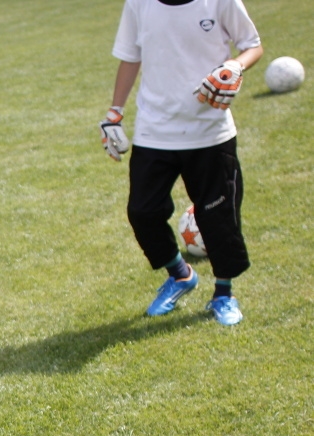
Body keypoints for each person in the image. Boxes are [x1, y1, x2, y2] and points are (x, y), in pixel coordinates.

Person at [100, 0, 263, 326]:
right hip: (154, 130)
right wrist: (114, 112)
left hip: (210, 131)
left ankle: (223, 294)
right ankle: (180, 275)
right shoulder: (139, 3)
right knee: (142, 211)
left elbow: (252, 45)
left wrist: (234, 66)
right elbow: (131, 56)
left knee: (219, 217)